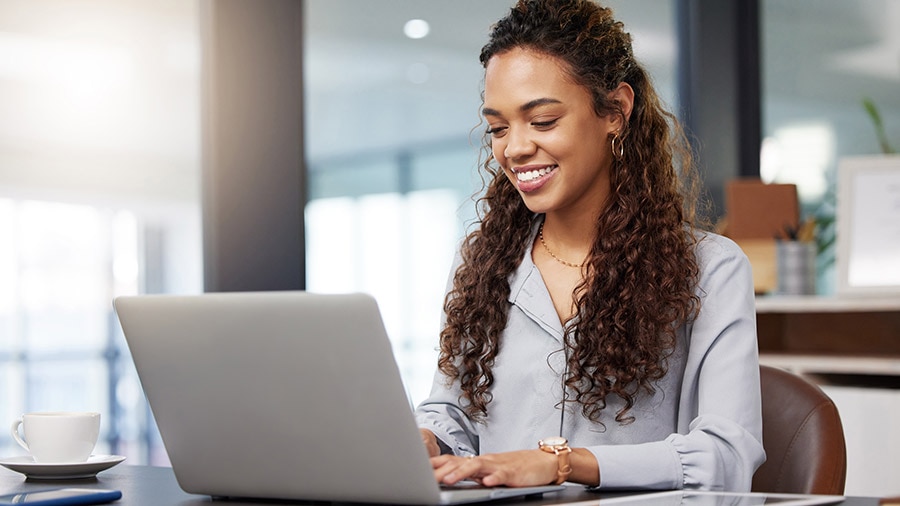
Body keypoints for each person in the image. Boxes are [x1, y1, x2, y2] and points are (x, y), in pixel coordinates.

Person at [414, 0, 765, 492]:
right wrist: (426, 439)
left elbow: (726, 455)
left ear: (616, 111)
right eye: (498, 127)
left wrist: (564, 463)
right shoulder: (483, 263)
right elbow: (452, 413)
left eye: (542, 121)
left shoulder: (710, 269)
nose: (513, 148)